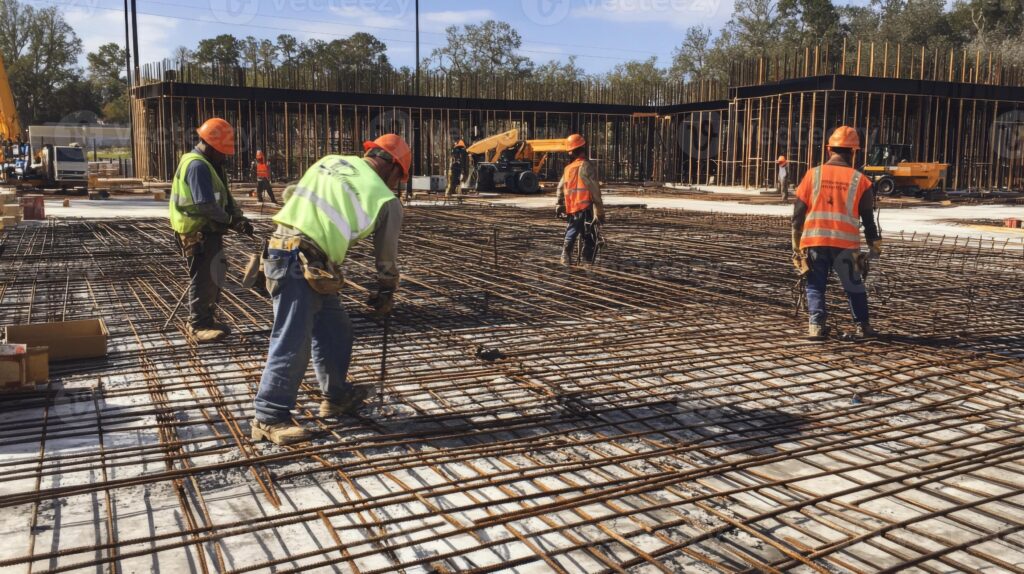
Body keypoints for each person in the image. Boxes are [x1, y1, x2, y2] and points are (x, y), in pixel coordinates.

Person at [251, 134, 408, 445]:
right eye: (398, 179)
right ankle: (269, 416)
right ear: (394, 170)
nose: (395, 184)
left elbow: (290, 194)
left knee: (336, 330)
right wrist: (386, 290)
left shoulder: (330, 162)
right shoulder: (385, 200)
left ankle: (336, 396)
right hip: (298, 260)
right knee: (292, 338)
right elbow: (386, 257)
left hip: (301, 258)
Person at [792, 126, 882, 340]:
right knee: (855, 286)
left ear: (828, 149)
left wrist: (796, 246)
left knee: (815, 286)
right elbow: (869, 221)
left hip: (814, 242)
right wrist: (875, 247)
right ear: (854, 153)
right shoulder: (862, 181)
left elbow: (797, 215)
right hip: (849, 245)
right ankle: (863, 327)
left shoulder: (812, 175)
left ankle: (816, 326)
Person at [168, 118, 253, 343]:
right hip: (197, 232)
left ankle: (206, 318)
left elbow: (225, 196)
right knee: (204, 278)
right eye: (223, 152)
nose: (226, 157)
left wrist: (239, 218)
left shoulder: (211, 164)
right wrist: (230, 222)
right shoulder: (197, 166)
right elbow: (205, 204)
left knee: (215, 275)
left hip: (209, 231)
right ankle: (197, 325)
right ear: (211, 146)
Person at [555, 134, 604, 265]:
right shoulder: (587, 166)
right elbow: (595, 191)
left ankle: (566, 256)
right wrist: (599, 212)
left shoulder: (567, 169)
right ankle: (585, 260)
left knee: (572, 230)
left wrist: (559, 205)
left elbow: (560, 189)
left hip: (572, 208)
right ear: (583, 148)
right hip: (585, 207)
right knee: (589, 235)